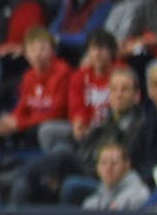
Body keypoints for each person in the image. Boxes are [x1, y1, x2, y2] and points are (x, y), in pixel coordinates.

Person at [11, 65, 145, 206]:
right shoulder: (105, 123)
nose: (118, 94)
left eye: (124, 90)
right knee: (28, 184)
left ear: (136, 96)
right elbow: (83, 150)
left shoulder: (140, 127)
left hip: (107, 178)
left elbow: (123, 163)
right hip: (88, 169)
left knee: (64, 155)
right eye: (114, 89)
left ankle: (18, 173)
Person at [0, 28, 73, 150]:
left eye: (43, 49)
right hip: (31, 123)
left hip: (54, 124)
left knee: (35, 131)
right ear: (26, 54)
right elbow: (22, 107)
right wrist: (12, 119)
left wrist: (20, 124)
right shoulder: (28, 76)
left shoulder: (63, 72)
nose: (38, 54)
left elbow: (57, 113)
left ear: (53, 51)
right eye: (33, 50)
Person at [81, 141, 152, 211]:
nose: (108, 168)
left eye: (114, 163)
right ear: (97, 167)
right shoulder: (96, 197)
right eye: (103, 162)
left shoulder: (139, 194)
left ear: (127, 165)